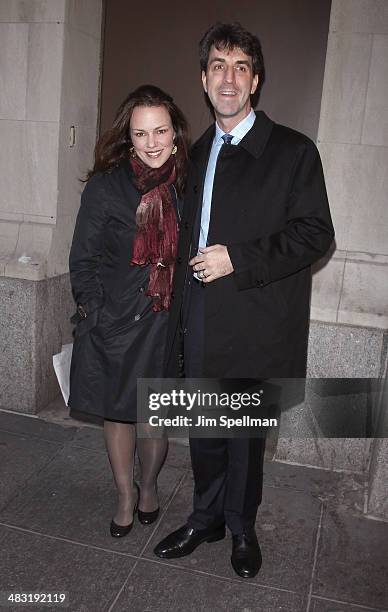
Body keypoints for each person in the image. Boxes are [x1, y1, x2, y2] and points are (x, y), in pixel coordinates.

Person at [154, 23, 334, 578]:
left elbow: (315, 234)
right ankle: (204, 517)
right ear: (203, 80)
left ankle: (241, 527)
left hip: (258, 321)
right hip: (201, 318)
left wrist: (240, 258)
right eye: (217, 66)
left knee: (243, 439)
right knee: (205, 432)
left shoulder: (293, 151)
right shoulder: (198, 151)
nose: (227, 78)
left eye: (239, 67)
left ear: (254, 81)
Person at [68, 85, 189, 538]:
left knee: (153, 416)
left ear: (175, 131)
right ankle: (123, 493)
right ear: (129, 137)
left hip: (165, 322)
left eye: (160, 131)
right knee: (118, 413)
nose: (152, 142)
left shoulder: (188, 184)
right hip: (116, 322)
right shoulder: (105, 187)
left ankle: (149, 486)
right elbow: (83, 259)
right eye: (141, 134)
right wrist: (95, 312)